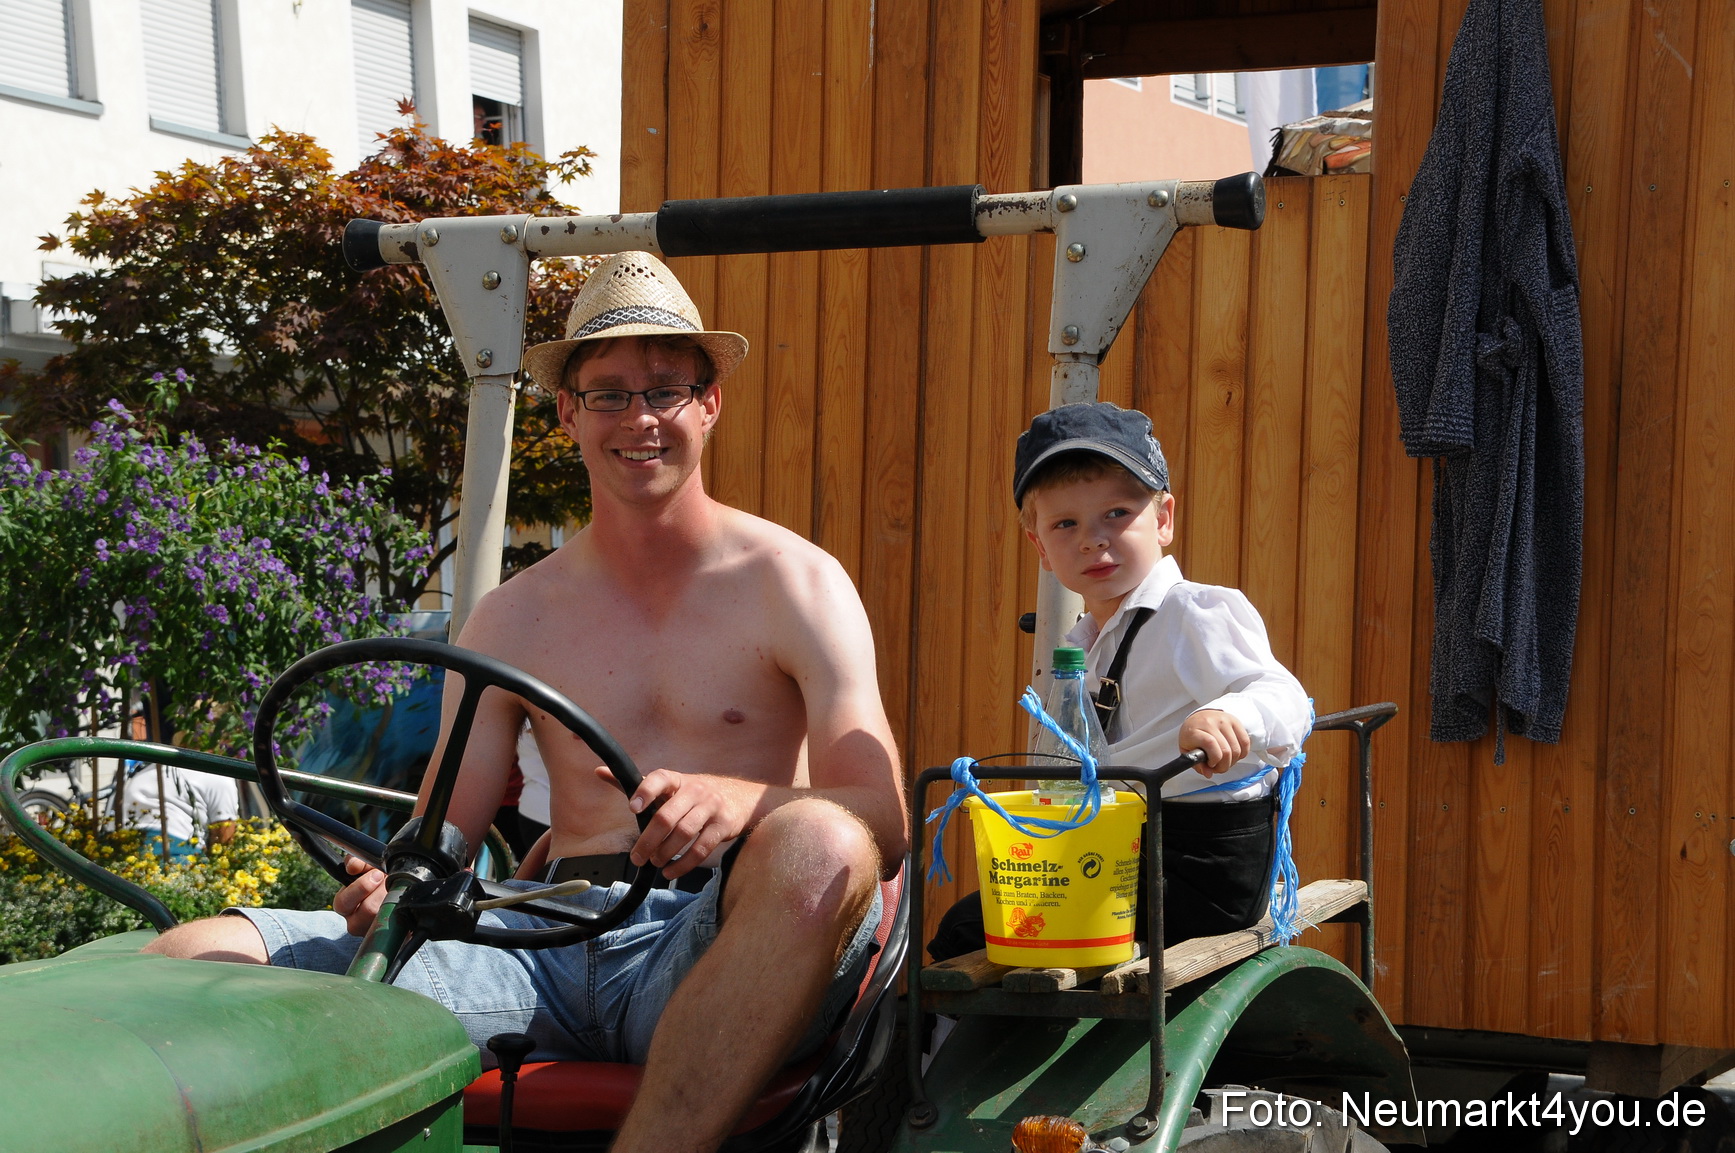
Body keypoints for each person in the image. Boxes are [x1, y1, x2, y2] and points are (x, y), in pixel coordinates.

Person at [145, 251, 908, 1153]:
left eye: (666, 389)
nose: (641, 418)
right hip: (537, 947)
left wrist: (744, 801)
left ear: (710, 402)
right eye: (610, 393)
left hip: (708, 944)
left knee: (823, 840)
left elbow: (883, 820)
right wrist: (396, 878)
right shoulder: (513, 614)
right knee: (187, 956)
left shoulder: (797, 582)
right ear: (568, 413)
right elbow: (443, 835)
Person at [928, 401, 1310, 959]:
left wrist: (1230, 715)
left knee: (974, 930)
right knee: (975, 919)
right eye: (1066, 524)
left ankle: (944, 1044)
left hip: (1200, 867)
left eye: (1116, 514)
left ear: (1163, 520)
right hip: (1121, 849)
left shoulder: (1194, 613)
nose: (1092, 539)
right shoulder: (1081, 647)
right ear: (1040, 548)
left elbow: (1284, 696)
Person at [123, 762, 238, 862]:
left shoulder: (145, 772)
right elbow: (224, 840)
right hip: (175, 850)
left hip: (121, 849)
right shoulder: (218, 775)